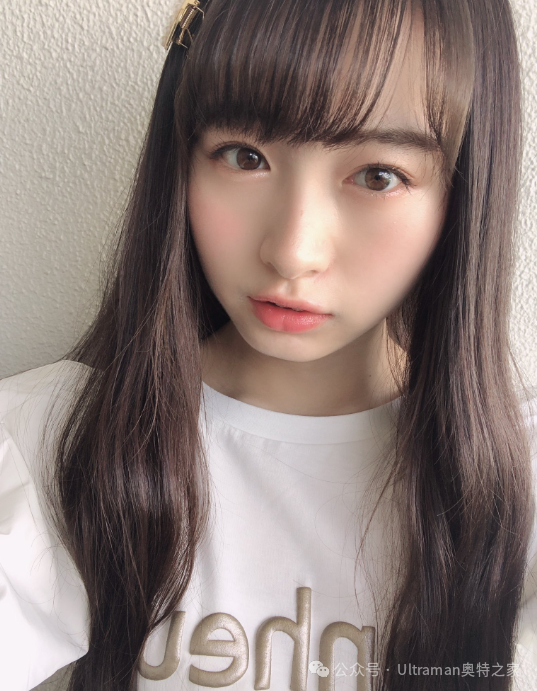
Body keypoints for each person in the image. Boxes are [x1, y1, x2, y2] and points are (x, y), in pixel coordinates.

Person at [1, 0, 537, 689]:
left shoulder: (514, 473)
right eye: (244, 156)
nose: (292, 250)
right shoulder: (58, 439)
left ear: (461, 192)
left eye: (378, 175)